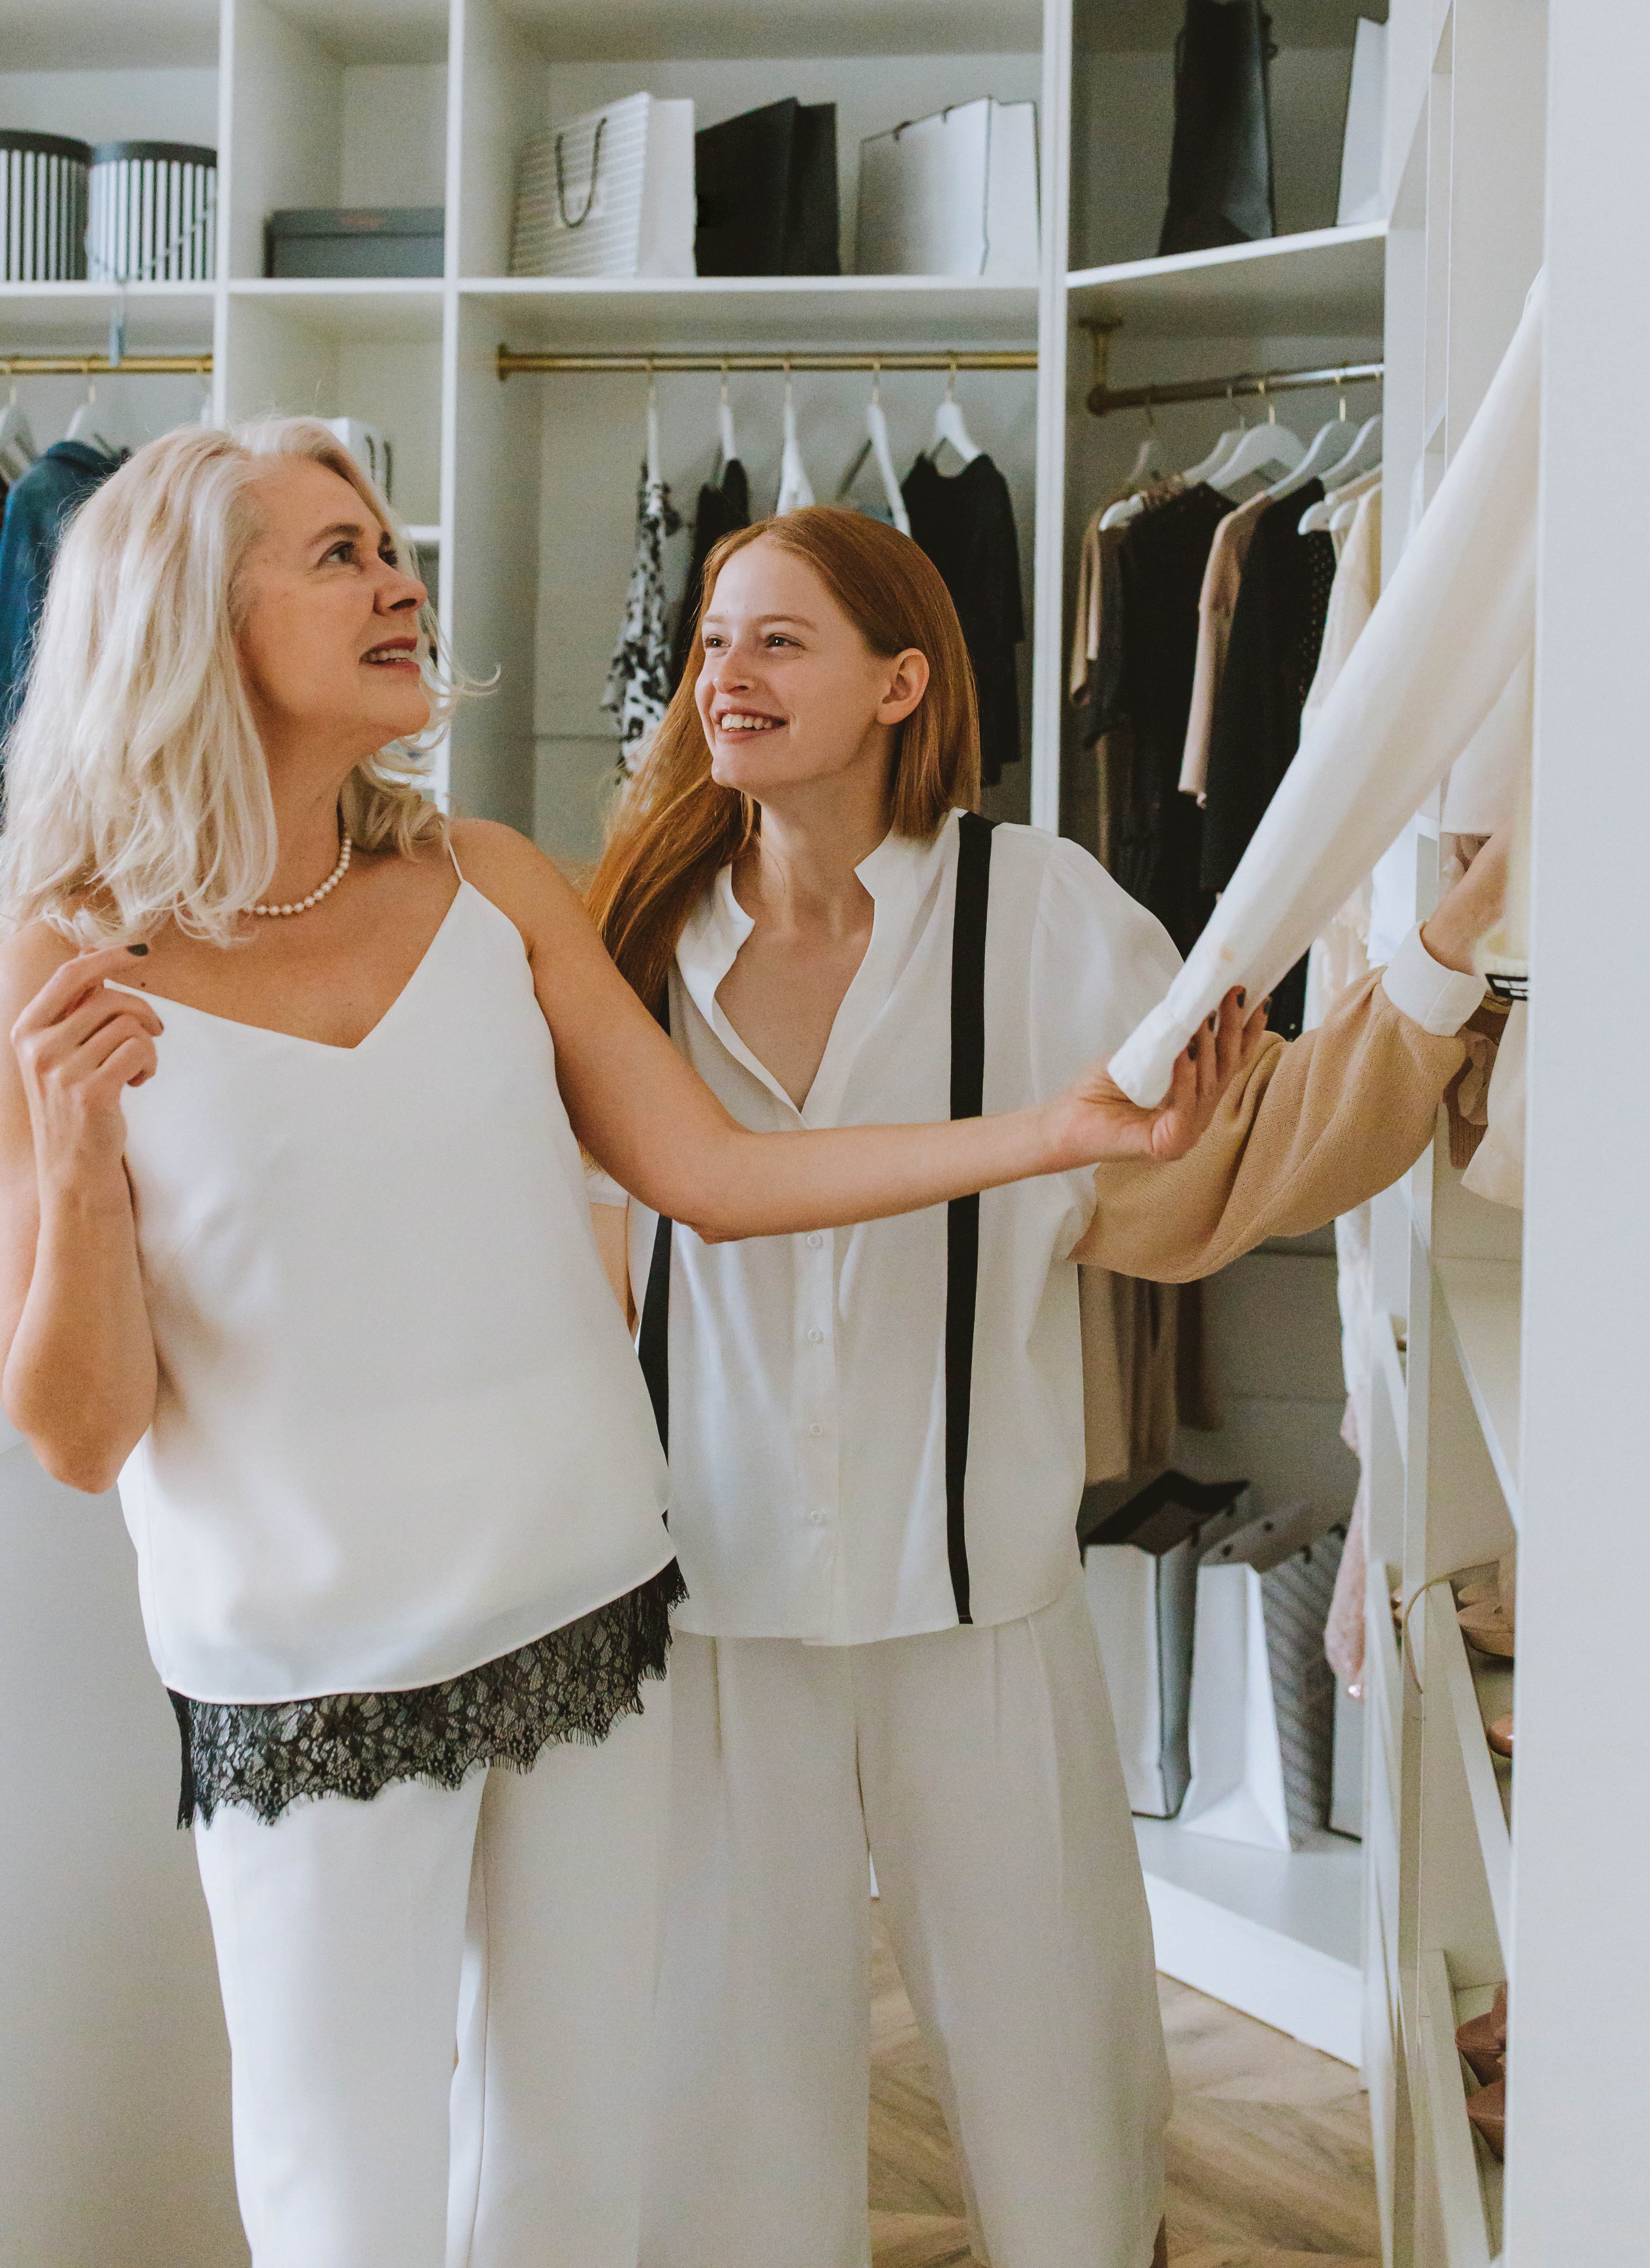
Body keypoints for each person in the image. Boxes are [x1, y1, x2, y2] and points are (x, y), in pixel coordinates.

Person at [0, 422, 1209, 2268]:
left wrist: (1058, 1131)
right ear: (183, 622)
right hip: (306, 1664)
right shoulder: (63, 963)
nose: (400, 580)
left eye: (392, 541)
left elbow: (714, 1172)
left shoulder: (492, 885)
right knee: (343, 2197)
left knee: (570, 2172)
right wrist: (70, 1154)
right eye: (334, 554)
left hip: (580, 1621)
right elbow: (79, 1433)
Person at [584, 505, 1510, 2268]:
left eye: (780, 640)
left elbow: (1219, 1160)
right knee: (718, 2112)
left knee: (1063, 2097)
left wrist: (1453, 951)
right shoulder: (634, 929)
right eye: (715, 639)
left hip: (980, 1611)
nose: (726, 674)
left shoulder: (1038, 911)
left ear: (900, 681)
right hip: (702, 1614)